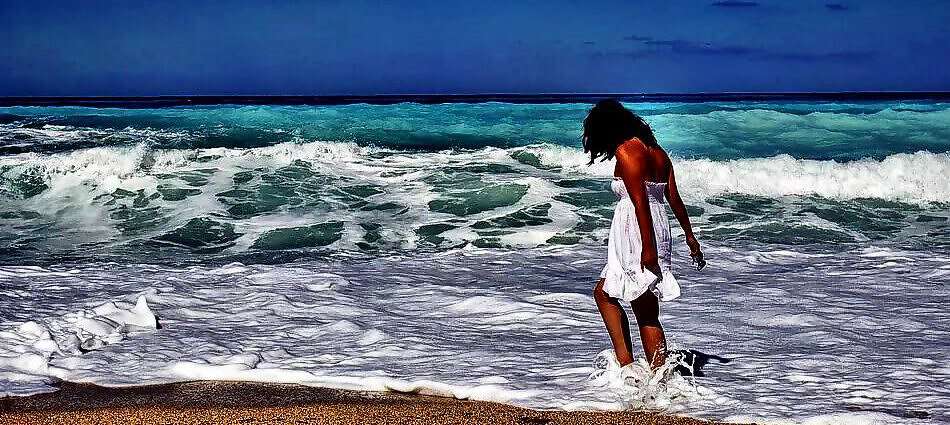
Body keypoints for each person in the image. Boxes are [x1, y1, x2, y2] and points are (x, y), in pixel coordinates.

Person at [583, 99, 704, 370]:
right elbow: (674, 199)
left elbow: (640, 204)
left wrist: (647, 248)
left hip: (637, 232)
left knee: (622, 300)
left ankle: (635, 370)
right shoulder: (658, 153)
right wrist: (690, 236)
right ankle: (653, 374)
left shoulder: (628, 152)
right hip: (658, 228)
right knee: (637, 304)